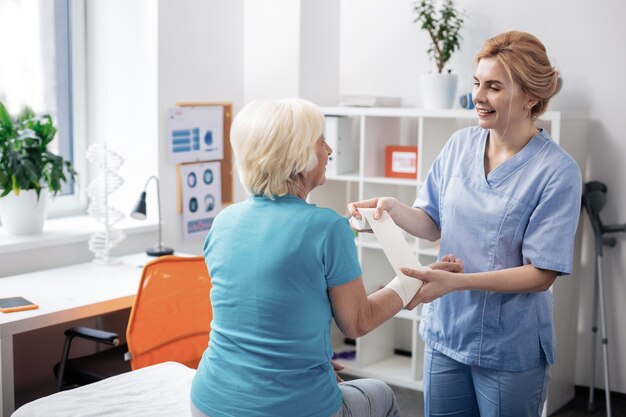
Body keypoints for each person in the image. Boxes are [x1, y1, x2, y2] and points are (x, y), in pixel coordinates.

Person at [348, 31, 582, 417]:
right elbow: (432, 222)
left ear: (530, 98)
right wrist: (391, 210)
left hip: (509, 346)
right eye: (477, 83)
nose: (478, 96)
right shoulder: (459, 145)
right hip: (447, 332)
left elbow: (542, 273)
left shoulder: (557, 171)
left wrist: (456, 282)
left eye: (493, 87)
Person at [190, 98, 463, 417]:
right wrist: (413, 280)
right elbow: (357, 323)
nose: (330, 150)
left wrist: (311, 357)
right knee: (380, 393)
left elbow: (262, 309)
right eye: (321, 141)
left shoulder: (225, 220)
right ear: (300, 156)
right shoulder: (326, 227)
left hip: (208, 401)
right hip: (290, 409)